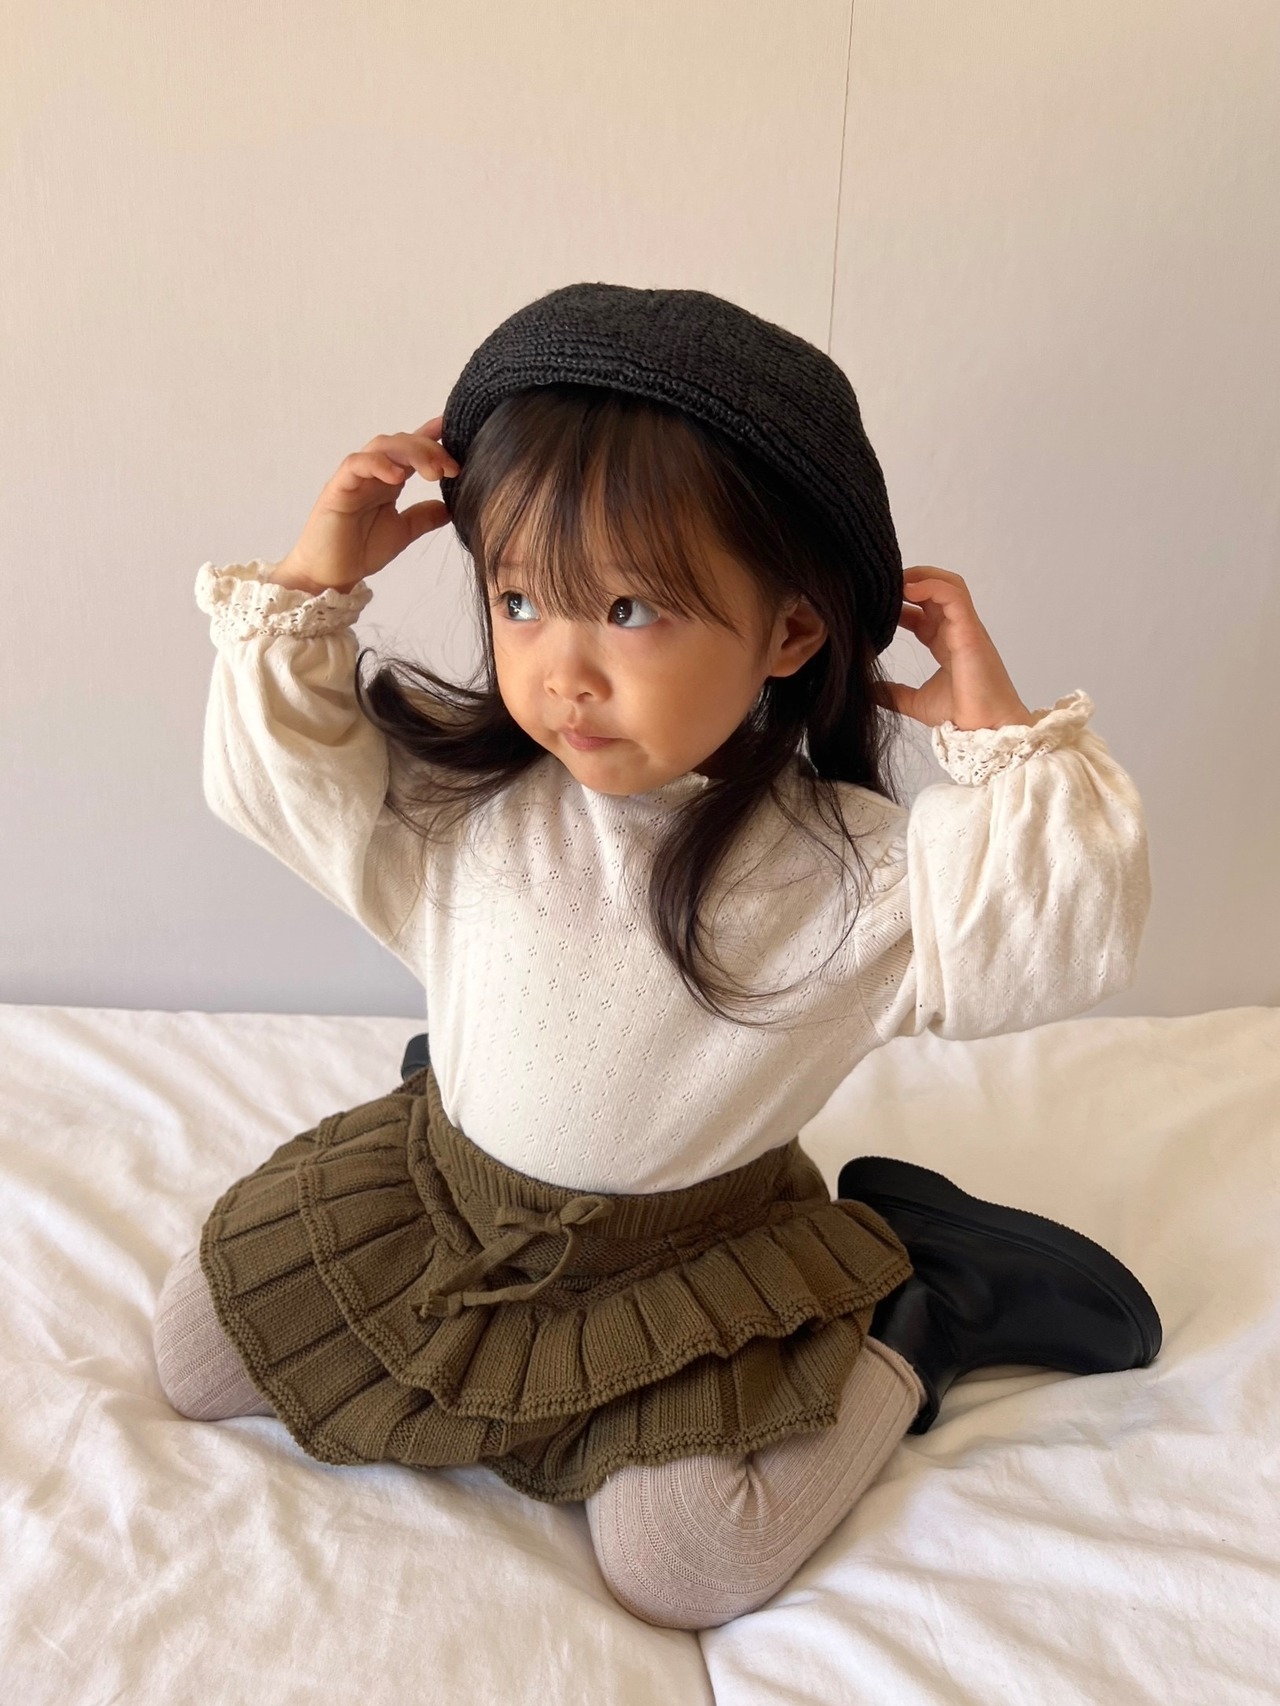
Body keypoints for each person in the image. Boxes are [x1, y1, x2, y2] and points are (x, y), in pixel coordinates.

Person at [154, 283, 1161, 1631]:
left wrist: (1001, 742)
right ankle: (466, 1087)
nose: (563, 671)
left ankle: (931, 1307)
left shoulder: (845, 877)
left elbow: (1054, 937)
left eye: (629, 610)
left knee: (683, 1566)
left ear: (789, 632)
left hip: (687, 1256)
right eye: (521, 599)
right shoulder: (469, 811)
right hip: (459, 1198)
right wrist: (314, 584)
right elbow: (279, 787)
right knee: (196, 1352)